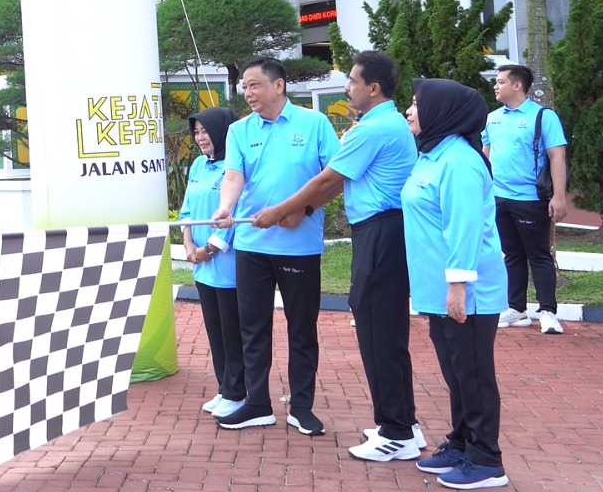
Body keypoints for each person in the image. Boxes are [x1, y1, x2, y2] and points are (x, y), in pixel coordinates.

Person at [252, 51, 423, 460]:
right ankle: (404, 423)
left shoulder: (372, 129)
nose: (346, 88)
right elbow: (336, 183)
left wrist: (279, 210)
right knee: (385, 330)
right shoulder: (386, 124)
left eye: (352, 81)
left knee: (378, 330)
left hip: (381, 233)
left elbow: (327, 178)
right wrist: (306, 209)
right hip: (383, 232)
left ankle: (396, 432)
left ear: (373, 88)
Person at [211, 58, 341, 434]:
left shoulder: (314, 123)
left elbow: (335, 178)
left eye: (254, 85)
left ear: (278, 85)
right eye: (244, 87)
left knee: (302, 329)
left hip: (299, 247)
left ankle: (301, 407)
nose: (247, 93)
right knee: (252, 327)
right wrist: (226, 207)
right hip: (252, 244)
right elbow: (234, 176)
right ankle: (257, 404)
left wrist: (305, 209)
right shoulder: (239, 130)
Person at [403, 78, 510, 489]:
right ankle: (463, 442)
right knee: (456, 371)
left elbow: (464, 228)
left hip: (467, 290)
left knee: (474, 373)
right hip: (438, 288)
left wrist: (459, 286)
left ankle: (486, 459)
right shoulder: (432, 155)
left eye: (417, 104)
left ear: (442, 112)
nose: (410, 111)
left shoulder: (460, 162)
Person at [483, 64, 569, 335]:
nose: (496, 86)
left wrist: (559, 197)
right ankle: (517, 308)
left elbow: (557, 156)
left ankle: (548, 311)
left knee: (538, 254)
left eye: (500, 82)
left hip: (531, 199)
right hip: (499, 197)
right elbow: (485, 155)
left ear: (517, 85)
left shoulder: (543, 117)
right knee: (511, 254)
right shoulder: (492, 118)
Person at [179, 107, 242, 420]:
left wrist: (208, 249)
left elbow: (236, 213)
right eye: (196, 132)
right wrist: (189, 245)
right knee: (215, 331)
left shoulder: (234, 168)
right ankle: (224, 387)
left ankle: (238, 392)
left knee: (232, 332)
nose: (201, 137)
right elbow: (187, 210)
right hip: (201, 265)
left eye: (206, 131)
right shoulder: (198, 165)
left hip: (226, 264)